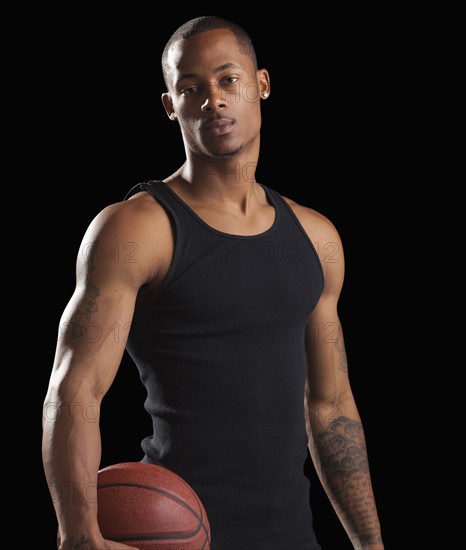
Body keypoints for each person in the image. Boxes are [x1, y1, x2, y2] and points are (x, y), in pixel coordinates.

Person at [42, 15, 384, 550]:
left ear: (262, 84)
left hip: (293, 539)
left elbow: (331, 405)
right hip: (172, 533)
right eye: (191, 88)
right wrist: (80, 534)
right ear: (169, 105)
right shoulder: (137, 228)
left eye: (229, 80)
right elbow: (75, 388)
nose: (213, 100)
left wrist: (370, 543)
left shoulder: (317, 237)